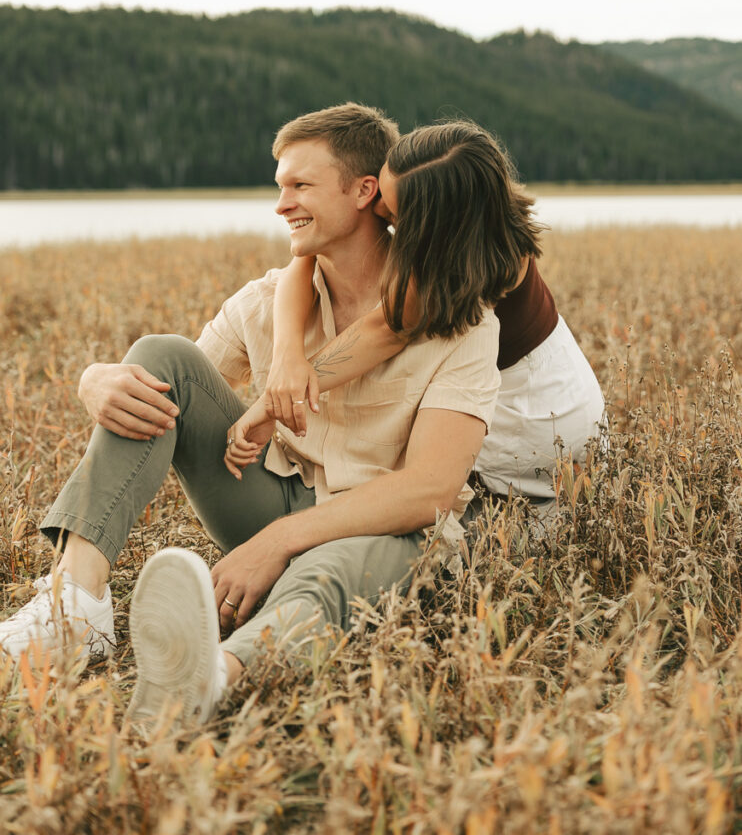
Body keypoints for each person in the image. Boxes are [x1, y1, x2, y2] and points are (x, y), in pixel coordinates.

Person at [0, 103, 508, 729]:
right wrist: (94, 380)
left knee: (327, 574)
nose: (281, 204)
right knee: (161, 356)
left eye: (300, 186)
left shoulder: (462, 319)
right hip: (274, 498)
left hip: (385, 533)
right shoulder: (271, 298)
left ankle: (213, 678)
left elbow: (430, 489)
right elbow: (170, 388)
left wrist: (276, 543)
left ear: (363, 192)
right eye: (279, 186)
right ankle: (76, 606)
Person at [238, 122, 605, 520]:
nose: (376, 208)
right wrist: (287, 355)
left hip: (533, 410)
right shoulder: (443, 187)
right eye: (381, 189)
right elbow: (305, 259)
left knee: (483, 524)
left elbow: (383, 330)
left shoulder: (462, 263)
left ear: (432, 227)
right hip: (509, 386)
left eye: (393, 214)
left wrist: (276, 401)